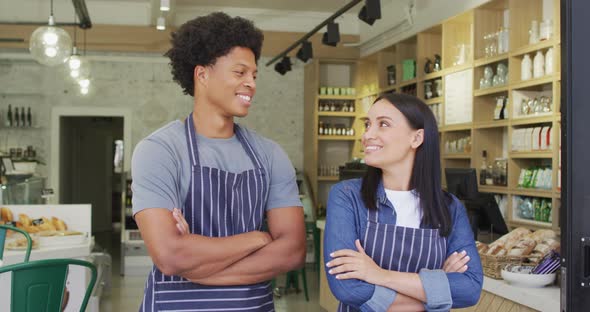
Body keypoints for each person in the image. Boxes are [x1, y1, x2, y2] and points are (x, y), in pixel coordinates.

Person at [131, 12, 306, 312]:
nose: (251, 83)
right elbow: (170, 256)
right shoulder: (159, 150)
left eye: (254, 75)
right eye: (240, 73)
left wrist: (197, 267)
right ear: (202, 75)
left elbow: (292, 251)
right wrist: (257, 238)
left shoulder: (270, 154)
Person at [324, 93, 483, 311]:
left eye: (383, 124)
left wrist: (379, 275)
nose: (368, 134)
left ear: (416, 138)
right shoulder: (347, 196)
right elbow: (348, 288)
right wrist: (437, 291)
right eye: (368, 124)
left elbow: (470, 289)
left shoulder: (450, 207)